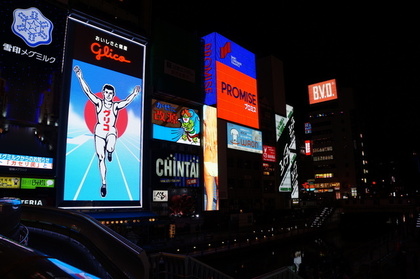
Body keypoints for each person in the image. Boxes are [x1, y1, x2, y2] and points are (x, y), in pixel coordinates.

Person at [73, 65, 140, 197]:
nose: (108, 95)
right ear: (103, 93)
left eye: (110, 93)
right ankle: (104, 183)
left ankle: (110, 151)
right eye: (106, 92)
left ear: (113, 95)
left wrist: (134, 93)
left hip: (110, 132)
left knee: (110, 146)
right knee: (101, 158)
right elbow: (88, 92)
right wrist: (80, 77)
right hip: (99, 133)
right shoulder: (99, 103)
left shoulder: (115, 106)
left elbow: (126, 102)